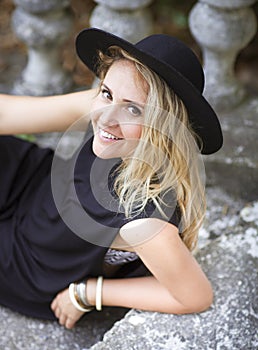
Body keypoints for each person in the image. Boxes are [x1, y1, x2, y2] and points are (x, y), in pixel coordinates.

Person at [0, 28, 223, 329]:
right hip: (31, 184)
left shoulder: (145, 220)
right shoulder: (110, 108)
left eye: (133, 109)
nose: (106, 118)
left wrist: (90, 293)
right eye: (106, 93)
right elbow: (9, 113)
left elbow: (195, 296)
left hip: (27, 261)